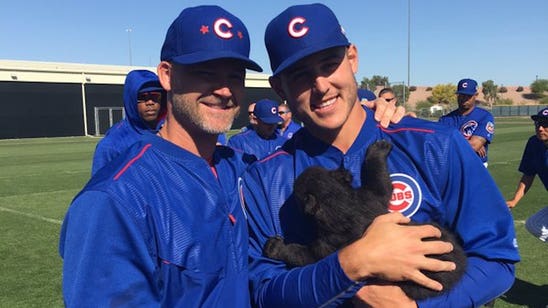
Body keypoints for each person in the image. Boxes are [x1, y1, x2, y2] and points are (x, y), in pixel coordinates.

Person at [242, 4, 519, 307]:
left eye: (329, 63)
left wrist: (415, 306)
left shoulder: (434, 146)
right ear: (278, 87)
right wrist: (347, 271)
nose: (321, 85)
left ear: (352, 58)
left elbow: (497, 259)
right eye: (299, 75)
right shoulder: (265, 179)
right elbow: (263, 292)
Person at [59, 5, 262, 307]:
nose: (223, 89)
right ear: (166, 76)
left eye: (234, 76)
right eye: (205, 72)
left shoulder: (242, 171)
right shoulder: (114, 199)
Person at [91, 69, 166, 175]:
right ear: (131, 100)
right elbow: (99, 188)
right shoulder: (111, 145)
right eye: (142, 97)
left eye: (155, 96)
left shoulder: (170, 134)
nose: (150, 102)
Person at [439, 78, 495, 167]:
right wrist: (468, 141)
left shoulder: (484, 116)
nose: (464, 99)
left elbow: (474, 146)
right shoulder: (445, 119)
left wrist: (449, 141)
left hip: (476, 165)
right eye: (461, 95)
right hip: (452, 165)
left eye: (468, 96)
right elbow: (439, 145)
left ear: (475, 95)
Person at [507, 107, 548, 208]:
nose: (540, 128)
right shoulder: (534, 144)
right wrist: (514, 201)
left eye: (545, 124)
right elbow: (528, 175)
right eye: (538, 124)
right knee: (533, 223)